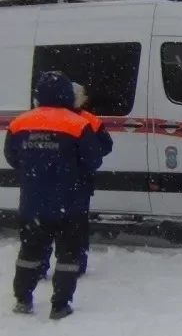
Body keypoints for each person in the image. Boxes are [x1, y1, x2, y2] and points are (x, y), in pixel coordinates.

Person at [4, 71, 103, 319]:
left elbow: (12, 157)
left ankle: (23, 299)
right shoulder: (77, 124)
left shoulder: (19, 123)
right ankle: (60, 305)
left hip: (33, 203)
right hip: (70, 204)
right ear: (67, 94)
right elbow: (93, 160)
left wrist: (35, 171)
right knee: (68, 256)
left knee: (29, 253)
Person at [38, 83, 113, 280]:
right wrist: (81, 159)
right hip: (77, 183)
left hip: (44, 182)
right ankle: (74, 265)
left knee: (43, 226)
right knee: (75, 227)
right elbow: (104, 147)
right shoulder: (87, 120)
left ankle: (39, 265)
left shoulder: (43, 117)